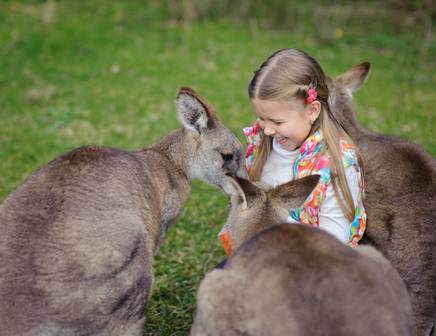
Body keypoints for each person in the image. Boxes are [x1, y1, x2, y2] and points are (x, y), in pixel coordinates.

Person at [219, 48, 366, 255]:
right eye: (262, 118)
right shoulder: (263, 142)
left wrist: (278, 224)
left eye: (277, 121)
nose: (267, 129)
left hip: (311, 262)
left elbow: (335, 236)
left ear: (312, 111)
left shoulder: (337, 163)